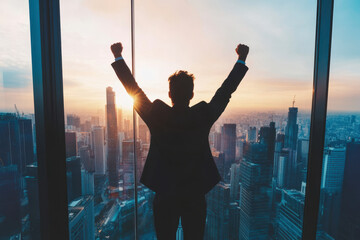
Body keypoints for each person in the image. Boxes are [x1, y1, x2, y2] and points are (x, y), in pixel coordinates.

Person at [110, 42, 249, 240]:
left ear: (169, 95)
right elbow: (224, 93)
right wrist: (241, 59)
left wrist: (118, 56)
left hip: (165, 195)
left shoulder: (157, 115)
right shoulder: (201, 116)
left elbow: (134, 90)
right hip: (194, 195)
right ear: (192, 95)